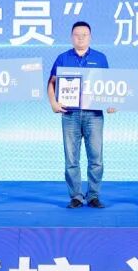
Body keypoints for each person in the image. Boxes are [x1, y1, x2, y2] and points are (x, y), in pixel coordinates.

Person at [47, 21, 112, 208]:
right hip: (70, 115)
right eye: (77, 35)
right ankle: (76, 196)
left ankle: (93, 196)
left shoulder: (100, 58)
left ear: (90, 37)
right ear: (71, 37)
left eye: (84, 35)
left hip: (94, 115)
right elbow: (51, 83)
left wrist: (111, 103)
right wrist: (53, 103)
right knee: (71, 159)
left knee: (96, 158)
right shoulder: (62, 58)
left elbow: (110, 85)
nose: (80, 38)